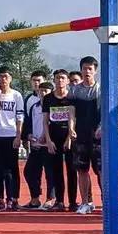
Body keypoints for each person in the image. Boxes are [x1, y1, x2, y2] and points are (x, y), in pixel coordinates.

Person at [0, 67, 24, 211]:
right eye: (1, 76)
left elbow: (20, 117)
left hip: (11, 135)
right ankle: (0, 198)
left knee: (12, 169)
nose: (3, 79)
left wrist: (18, 136)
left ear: (10, 78)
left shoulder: (17, 95)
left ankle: (13, 198)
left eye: (6, 77)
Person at [68, 56, 101, 215]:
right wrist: (71, 128)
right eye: (84, 68)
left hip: (97, 135)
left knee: (101, 170)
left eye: (90, 69)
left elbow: (104, 113)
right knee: (82, 169)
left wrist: (101, 128)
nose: (87, 71)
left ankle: (106, 201)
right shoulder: (74, 89)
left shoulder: (100, 89)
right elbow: (72, 111)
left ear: (95, 70)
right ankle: (86, 202)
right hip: (80, 134)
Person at [41, 69, 77, 212]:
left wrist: (69, 138)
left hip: (68, 137)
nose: (60, 81)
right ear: (54, 80)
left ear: (67, 81)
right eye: (57, 78)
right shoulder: (48, 98)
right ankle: (60, 201)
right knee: (56, 171)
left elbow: (73, 118)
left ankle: (73, 202)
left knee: (71, 170)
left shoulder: (72, 97)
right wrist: (48, 140)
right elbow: (45, 120)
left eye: (63, 78)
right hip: (54, 137)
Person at [22, 82, 54, 209]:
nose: (43, 94)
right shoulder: (34, 107)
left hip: (49, 145)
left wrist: (46, 136)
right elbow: (28, 123)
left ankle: (50, 199)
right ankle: (35, 198)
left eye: (46, 91)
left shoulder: (54, 106)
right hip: (36, 145)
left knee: (50, 173)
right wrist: (28, 135)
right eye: (41, 91)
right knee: (29, 171)